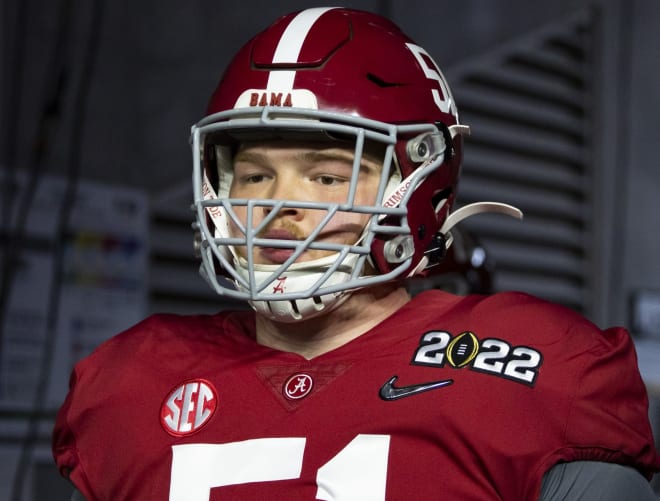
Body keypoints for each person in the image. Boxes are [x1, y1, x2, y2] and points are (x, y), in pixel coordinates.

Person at [53, 7, 659, 500]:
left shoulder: (535, 377)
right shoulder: (128, 385)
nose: (275, 208)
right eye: (255, 175)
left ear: (419, 188)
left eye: (326, 177)